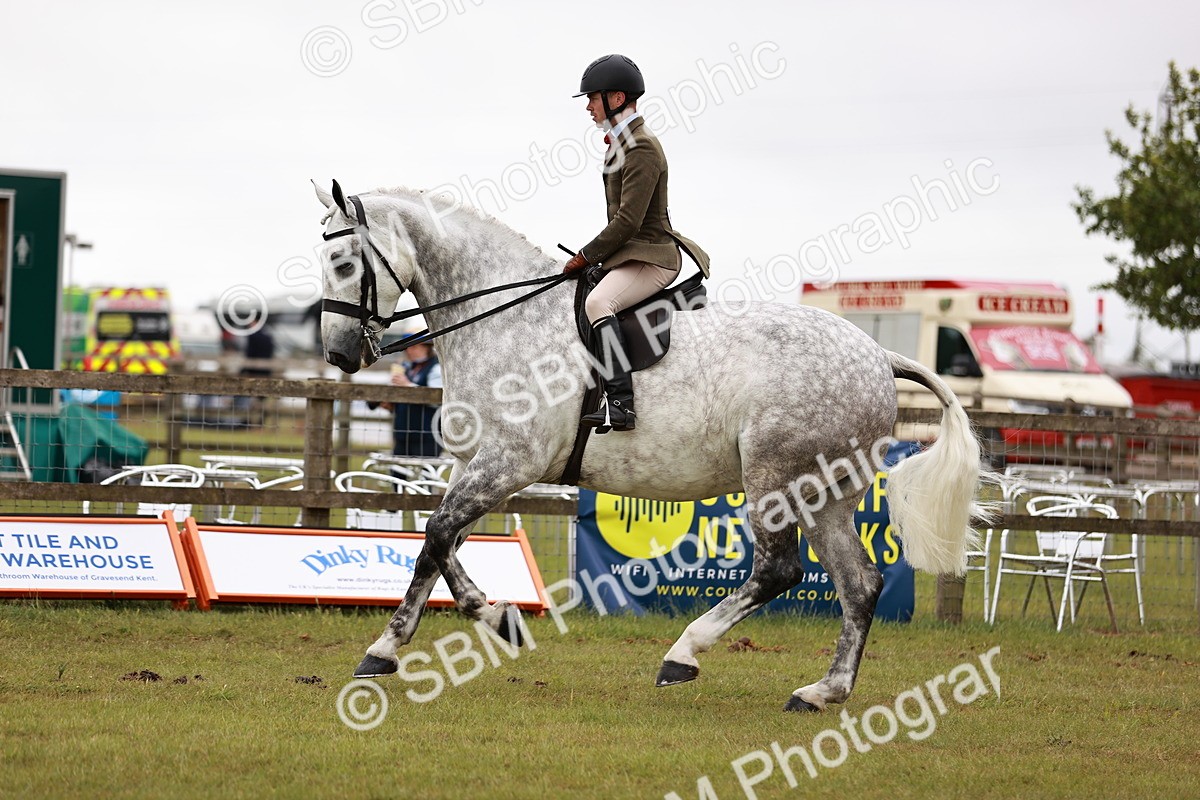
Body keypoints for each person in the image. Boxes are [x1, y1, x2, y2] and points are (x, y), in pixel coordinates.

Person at [563, 54, 711, 432]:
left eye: (592, 98)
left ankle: (620, 404)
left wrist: (586, 256)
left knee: (599, 302)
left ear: (616, 98)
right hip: (631, 254)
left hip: (653, 255)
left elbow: (628, 221)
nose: (588, 107)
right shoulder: (622, 143)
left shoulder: (641, 146)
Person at [385, 335, 442, 458]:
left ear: (427, 347)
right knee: (397, 469)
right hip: (402, 435)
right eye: (407, 347)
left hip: (427, 437)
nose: (409, 351)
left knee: (426, 469)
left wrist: (407, 385)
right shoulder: (407, 367)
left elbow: (437, 399)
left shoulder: (436, 368)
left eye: (414, 347)